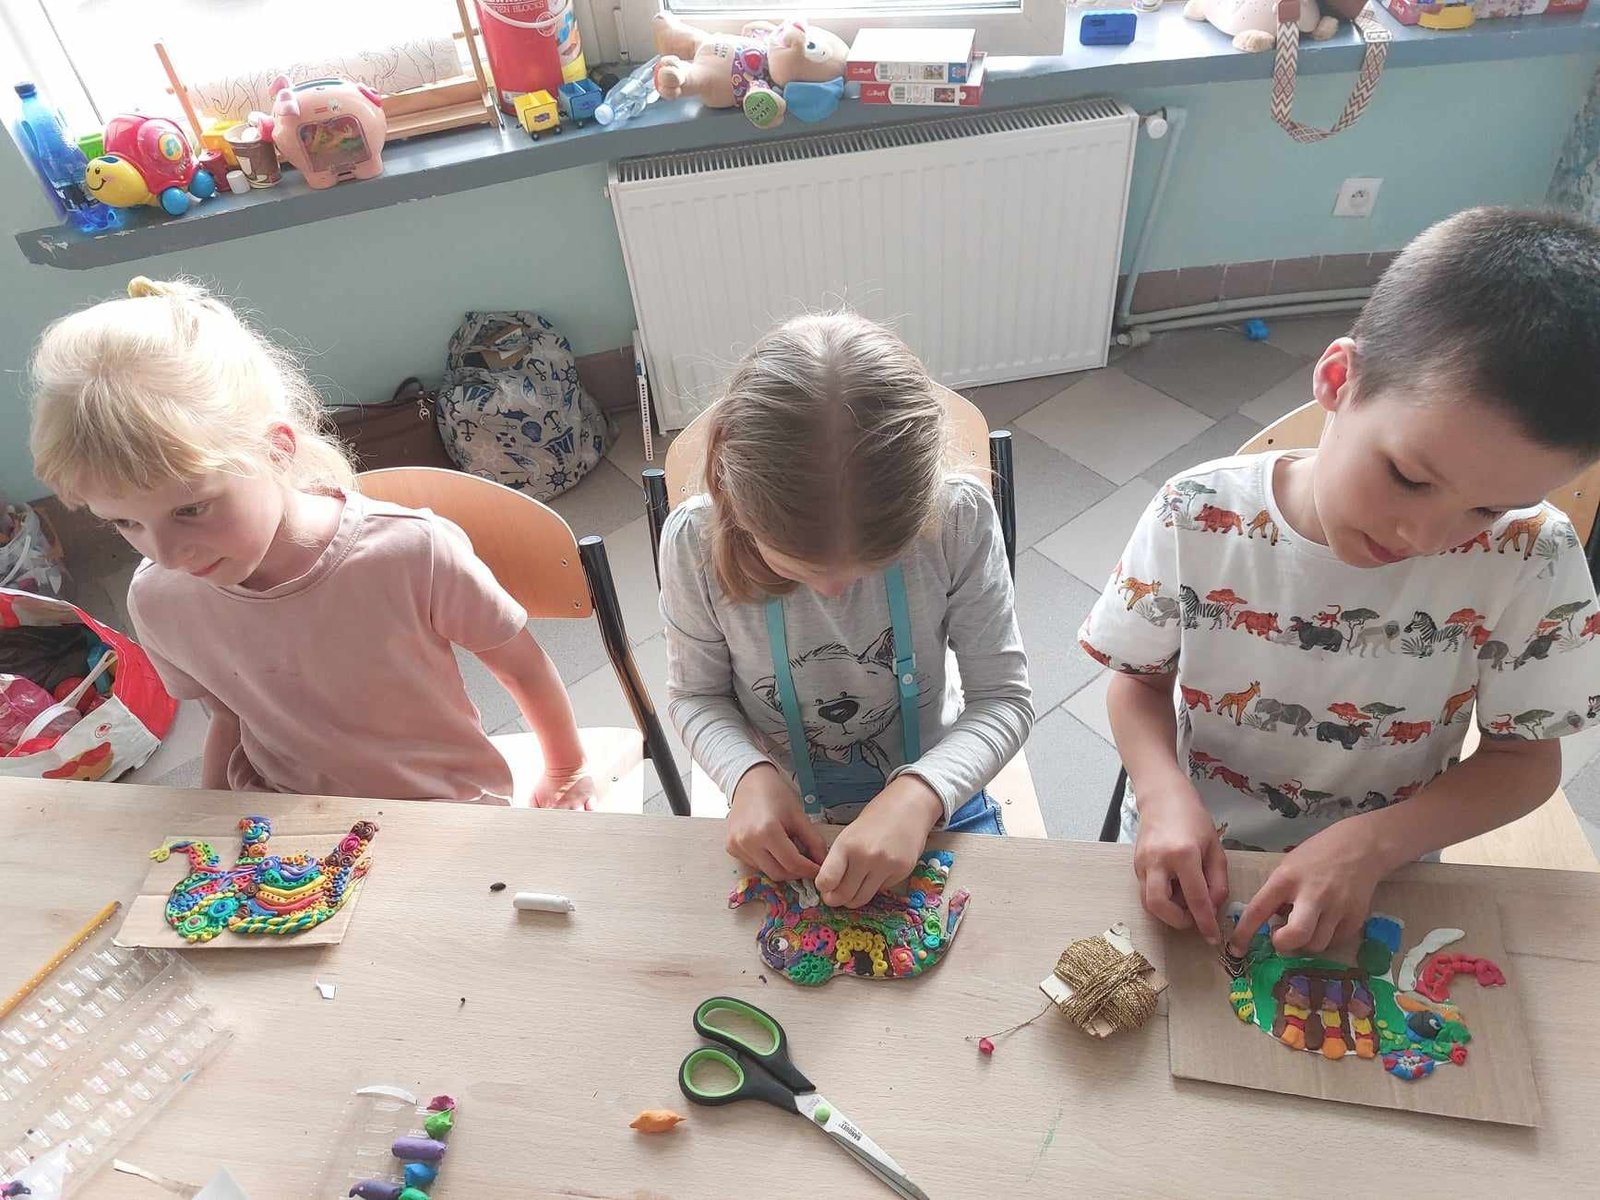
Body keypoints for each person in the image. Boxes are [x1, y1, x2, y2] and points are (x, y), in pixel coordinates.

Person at [1080, 208, 1600, 955]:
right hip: (1195, 844)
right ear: (1337, 380)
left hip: (1388, 865)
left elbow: (1524, 761)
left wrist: (1375, 845)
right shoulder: (1194, 512)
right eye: (1409, 477)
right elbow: (1136, 681)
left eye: (1489, 509)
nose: (1425, 537)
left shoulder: (1532, 556)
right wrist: (1161, 795)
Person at [29, 276, 594, 807]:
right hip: (283, 812)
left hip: (439, 808)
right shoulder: (159, 598)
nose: (167, 554)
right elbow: (229, 715)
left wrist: (566, 769)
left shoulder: (412, 552)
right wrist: (210, 817)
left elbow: (521, 666)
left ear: (276, 450)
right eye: (125, 524)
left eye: (190, 509)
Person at [659, 312, 1033, 908]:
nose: (833, 592)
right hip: (780, 816)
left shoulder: (958, 519)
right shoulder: (693, 544)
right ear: (732, 493)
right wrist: (746, 776)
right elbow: (695, 696)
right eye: (799, 567)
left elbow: (1003, 699)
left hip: (937, 796)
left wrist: (919, 794)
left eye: (868, 567)